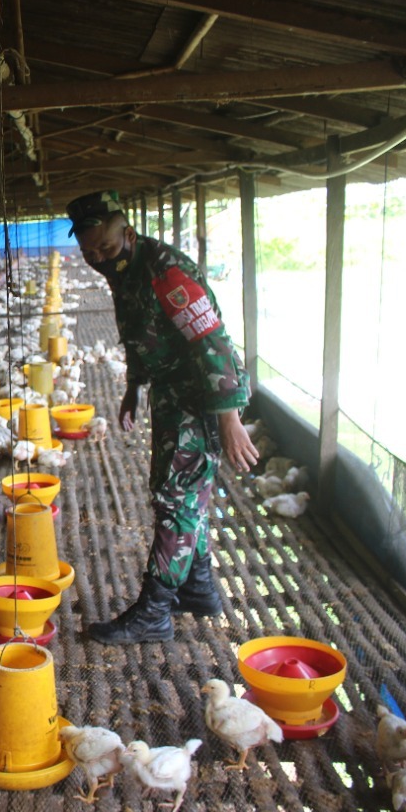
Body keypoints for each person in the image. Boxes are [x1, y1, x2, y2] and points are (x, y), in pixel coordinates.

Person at [65, 190, 259, 644]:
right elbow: (136, 331)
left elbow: (212, 343)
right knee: (187, 494)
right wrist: (135, 386)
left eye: (106, 248)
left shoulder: (166, 273)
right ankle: (198, 587)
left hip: (204, 393)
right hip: (175, 390)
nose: (98, 259)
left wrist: (228, 419)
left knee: (175, 497)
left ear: (128, 233)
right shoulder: (121, 268)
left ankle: (155, 611)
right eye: (89, 252)